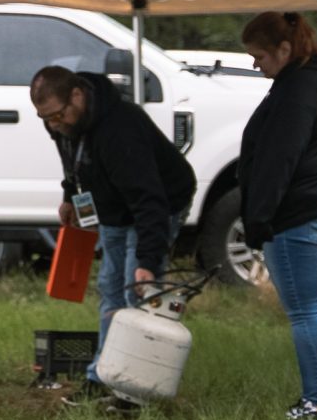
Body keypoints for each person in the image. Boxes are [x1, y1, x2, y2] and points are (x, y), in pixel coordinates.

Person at [30, 62, 196, 400]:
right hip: (113, 209)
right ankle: (103, 376)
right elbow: (72, 163)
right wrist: (71, 197)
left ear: (77, 95)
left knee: (137, 288)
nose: (53, 125)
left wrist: (148, 260)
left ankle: (134, 391)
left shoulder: (121, 128)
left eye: (58, 115)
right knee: (110, 287)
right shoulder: (62, 121)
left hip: (157, 204)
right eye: (45, 118)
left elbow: (150, 200)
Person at [238, 10, 317, 420]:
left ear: (285, 49)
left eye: (260, 56)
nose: (256, 64)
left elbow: (278, 158)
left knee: (306, 311)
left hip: (299, 213)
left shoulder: (296, 89)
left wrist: (259, 218)